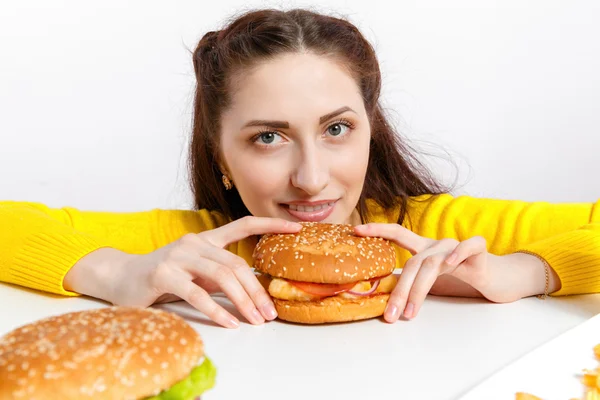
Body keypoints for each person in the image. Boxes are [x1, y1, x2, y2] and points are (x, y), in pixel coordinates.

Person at [1, 8, 599, 329]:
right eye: (268, 137)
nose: (311, 178)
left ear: (371, 131)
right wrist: (115, 275)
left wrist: (528, 272)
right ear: (220, 158)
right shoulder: (195, 249)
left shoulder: (433, 233)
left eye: (337, 129)